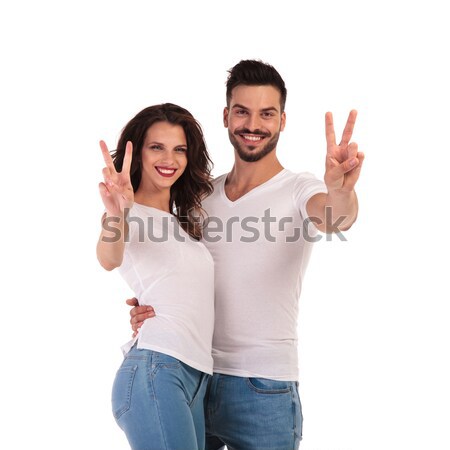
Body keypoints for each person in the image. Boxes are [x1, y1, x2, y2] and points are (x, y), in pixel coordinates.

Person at [128, 60, 365, 449]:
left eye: (266, 114)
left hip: (263, 388)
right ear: (226, 116)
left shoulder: (299, 189)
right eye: (242, 111)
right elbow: (173, 267)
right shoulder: (200, 197)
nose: (253, 124)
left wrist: (340, 191)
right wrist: (150, 305)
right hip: (191, 377)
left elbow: (336, 217)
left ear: (283, 121)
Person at [96, 103, 215, 450]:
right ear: (138, 153)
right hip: (156, 371)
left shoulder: (184, 225)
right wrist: (117, 215)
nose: (170, 159)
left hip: (194, 378)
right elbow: (108, 257)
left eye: (179, 149)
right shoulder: (129, 215)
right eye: (157, 147)